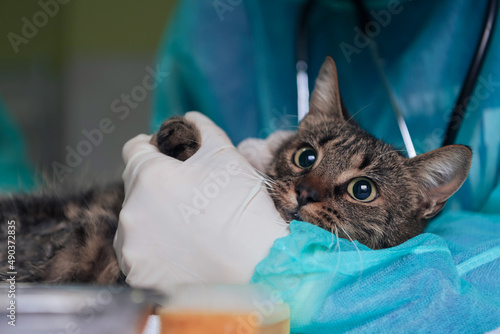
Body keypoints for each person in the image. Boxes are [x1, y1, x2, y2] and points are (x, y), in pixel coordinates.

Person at [115, 0, 500, 332]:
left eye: (361, 189)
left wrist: (277, 271)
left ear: (425, 202)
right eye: (307, 158)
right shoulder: (226, 15)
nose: (310, 188)